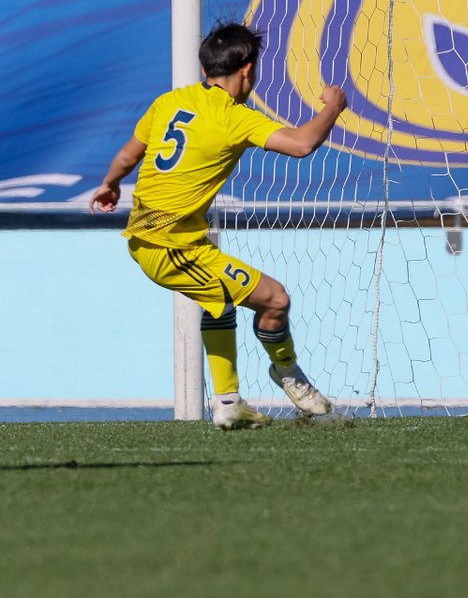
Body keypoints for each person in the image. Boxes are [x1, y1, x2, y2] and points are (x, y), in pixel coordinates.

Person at [91, 22, 347, 429]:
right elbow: (301, 145)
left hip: (161, 241)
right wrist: (333, 105)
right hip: (168, 247)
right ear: (247, 70)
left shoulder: (170, 102)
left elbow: (129, 153)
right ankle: (267, 383)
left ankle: (239, 397)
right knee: (269, 300)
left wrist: (110, 184)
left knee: (242, 299)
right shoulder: (234, 118)